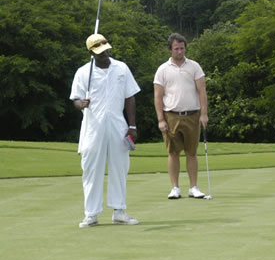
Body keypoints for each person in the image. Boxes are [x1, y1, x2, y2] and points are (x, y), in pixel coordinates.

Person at [70, 33, 141, 228]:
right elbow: (75, 99)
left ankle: (119, 211)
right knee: (92, 169)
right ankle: (91, 214)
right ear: (92, 53)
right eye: (99, 52)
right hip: (93, 127)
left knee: (120, 167)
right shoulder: (84, 72)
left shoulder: (122, 68)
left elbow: (130, 97)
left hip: (118, 125)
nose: (104, 54)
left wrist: (132, 125)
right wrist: (81, 104)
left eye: (106, 50)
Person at [154, 33, 209, 199]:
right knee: (173, 152)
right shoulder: (163, 69)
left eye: (182, 48)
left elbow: (202, 91)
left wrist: (204, 114)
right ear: (170, 49)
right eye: (176, 48)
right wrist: (161, 120)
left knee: (191, 152)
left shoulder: (194, 67)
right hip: (171, 115)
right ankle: (175, 188)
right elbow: (157, 96)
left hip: (192, 114)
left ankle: (194, 187)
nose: (180, 51)